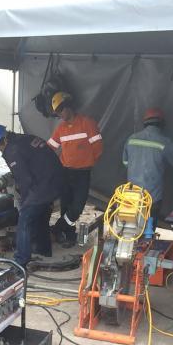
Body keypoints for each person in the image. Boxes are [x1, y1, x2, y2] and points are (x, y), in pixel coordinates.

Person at [0, 125, 63, 269]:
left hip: (42, 186)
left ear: (2, 141)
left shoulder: (12, 150)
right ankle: (43, 250)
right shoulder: (25, 138)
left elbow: (25, 180)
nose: (0, 150)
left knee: (24, 221)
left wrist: (25, 201)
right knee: (42, 215)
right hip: (55, 182)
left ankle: (21, 260)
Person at [47, 92, 103, 246]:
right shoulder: (61, 128)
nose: (59, 115)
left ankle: (57, 229)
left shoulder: (87, 123)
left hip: (82, 173)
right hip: (65, 172)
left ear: (68, 107)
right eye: (57, 113)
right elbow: (49, 148)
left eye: (60, 110)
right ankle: (69, 236)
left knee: (77, 207)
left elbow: (98, 148)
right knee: (66, 206)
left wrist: (87, 162)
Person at [122, 107, 173, 229]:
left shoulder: (132, 139)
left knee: (130, 227)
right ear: (161, 124)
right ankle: (148, 237)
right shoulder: (165, 142)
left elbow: (125, 162)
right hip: (153, 195)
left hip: (132, 193)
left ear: (145, 123)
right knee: (148, 229)